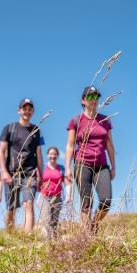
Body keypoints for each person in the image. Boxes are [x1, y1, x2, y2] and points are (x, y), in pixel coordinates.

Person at [65, 86, 116, 235]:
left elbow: (110, 145)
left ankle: (94, 225)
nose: (93, 100)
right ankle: (86, 237)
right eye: (90, 97)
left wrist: (113, 167)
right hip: (82, 164)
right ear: (83, 100)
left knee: (106, 200)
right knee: (87, 203)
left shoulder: (105, 120)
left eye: (96, 97)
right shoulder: (76, 120)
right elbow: (70, 145)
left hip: (102, 166)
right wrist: (68, 168)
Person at [0, 98, 44, 232]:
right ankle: (10, 235)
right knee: (11, 208)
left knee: (28, 204)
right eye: (24, 108)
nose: (27, 111)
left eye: (30, 109)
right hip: (12, 173)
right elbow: (1, 151)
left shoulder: (36, 130)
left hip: (30, 174)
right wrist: (4, 172)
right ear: (19, 111)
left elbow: (39, 154)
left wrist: (40, 174)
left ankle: (28, 237)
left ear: (33, 112)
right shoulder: (9, 128)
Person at [38, 146, 71, 239]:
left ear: (57, 155)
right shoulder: (43, 167)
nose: (52, 156)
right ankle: (46, 239)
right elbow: (38, 180)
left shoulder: (61, 168)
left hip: (57, 197)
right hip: (44, 196)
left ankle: (54, 239)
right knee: (46, 218)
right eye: (51, 154)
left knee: (54, 220)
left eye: (55, 154)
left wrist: (68, 195)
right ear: (47, 155)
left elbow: (67, 182)